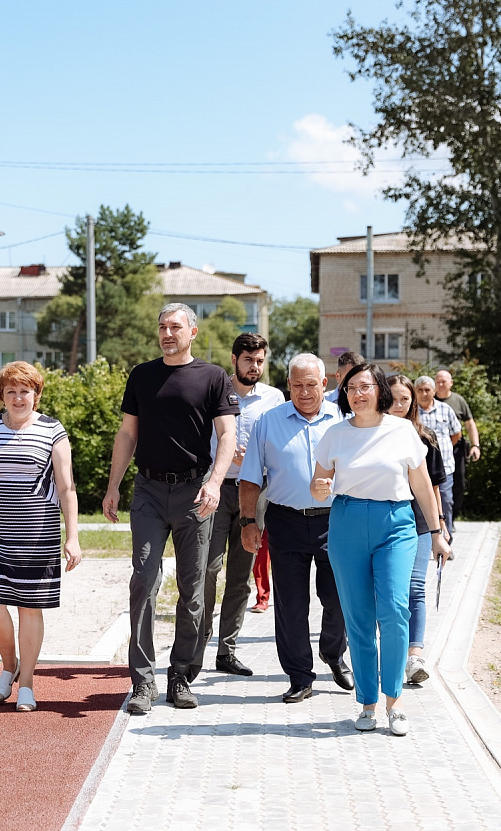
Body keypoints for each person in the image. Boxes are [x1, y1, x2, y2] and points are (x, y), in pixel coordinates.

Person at [103, 303, 238, 714]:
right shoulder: (142, 375)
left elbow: (228, 433)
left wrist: (215, 482)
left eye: (175, 326)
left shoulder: (213, 377)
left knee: (192, 588)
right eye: (161, 326)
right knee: (143, 579)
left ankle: (181, 674)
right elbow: (128, 433)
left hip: (194, 492)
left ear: (192, 332)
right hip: (147, 490)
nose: (167, 333)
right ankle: (142, 682)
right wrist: (113, 487)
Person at [311, 363, 443, 737]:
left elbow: (421, 484)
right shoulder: (335, 434)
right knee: (359, 617)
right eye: (351, 387)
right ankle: (367, 702)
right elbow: (318, 484)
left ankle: (394, 702)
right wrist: (320, 489)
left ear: (379, 390)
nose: (357, 393)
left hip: (396, 523)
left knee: (395, 608)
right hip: (347, 522)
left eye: (364, 386)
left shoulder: (401, 430)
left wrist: (436, 532)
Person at [0, 361, 82, 712]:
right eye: (10, 391)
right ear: (2, 395)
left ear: (36, 395)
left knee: (30, 607)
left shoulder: (53, 431)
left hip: (38, 534)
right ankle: (9, 665)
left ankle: (26, 683)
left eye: (25, 390)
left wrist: (72, 537)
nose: (18, 397)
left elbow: (66, 487)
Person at [239, 353, 354, 702]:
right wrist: (248, 522)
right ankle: (300, 675)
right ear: (288, 385)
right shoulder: (268, 421)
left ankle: (333, 653)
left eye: (311, 385)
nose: (304, 392)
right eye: (297, 385)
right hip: (285, 520)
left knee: (338, 598)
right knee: (290, 603)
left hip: (335, 521)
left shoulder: (343, 421)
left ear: (325, 384)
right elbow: (249, 478)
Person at [196, 332, 285, 678]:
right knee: (206, 570)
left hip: (255, 494)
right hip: (215, 490)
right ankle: (197, 648)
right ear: (234, 360)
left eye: (260, 360)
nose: (255, 366)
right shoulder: (215, 391)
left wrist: (260, 459)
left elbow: (281, 442)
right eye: (248, 360)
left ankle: (227, 651)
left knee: (240, 577)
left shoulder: (274, 398)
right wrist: (224, 455)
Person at [386, 374, 454, 685]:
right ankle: (389, 653)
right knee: (388, 592)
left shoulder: (425, 438)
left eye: (405, 399)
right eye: (393, 398)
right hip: (383, 523)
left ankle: (414, 657)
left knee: (415, 587)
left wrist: (439, 529)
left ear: (414, 402)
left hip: (419, 524)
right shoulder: (371, 436)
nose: (398, 405)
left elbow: (434, 488)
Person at [415, 375, 462, 539]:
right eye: (420, 390)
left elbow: (456, 433)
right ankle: (427, 538)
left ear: (434, 391)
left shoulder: (445, 409)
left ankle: (446, 539)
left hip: (444, 467)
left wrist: (444, 450)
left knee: (445, 503)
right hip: (419, 469)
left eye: (427, 390)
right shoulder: (412, 412)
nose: (424, 393)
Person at [434, 369, 480, 517]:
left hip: (455, 450)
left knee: (458, 484)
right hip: (433, 451)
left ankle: (451, 517)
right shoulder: (429, 399)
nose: (440, 384)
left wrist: (475, 445)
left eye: (444, 381)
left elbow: (470, 424)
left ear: (451, 383)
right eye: (438, 381)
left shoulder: (458, 401)